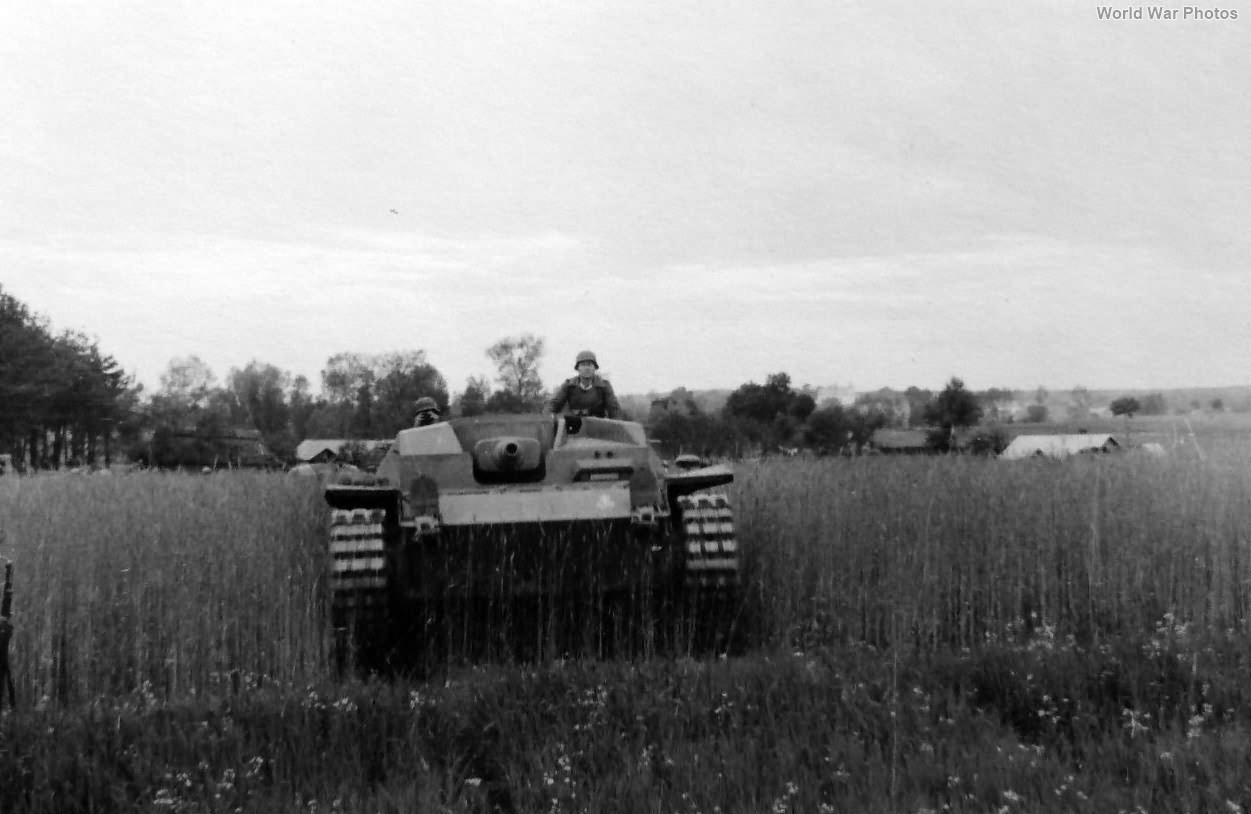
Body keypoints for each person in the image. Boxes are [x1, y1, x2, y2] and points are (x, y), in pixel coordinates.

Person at [544, 350, 622, 419]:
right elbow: (553, 405)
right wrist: (548, 418)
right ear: (578, 368)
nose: (587, 368)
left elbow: (614, 410)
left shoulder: (604, 386)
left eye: (589, 365)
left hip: (599, 428)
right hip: (575, 427)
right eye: (583, 365)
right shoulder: (569, 385)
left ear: (595, 368)